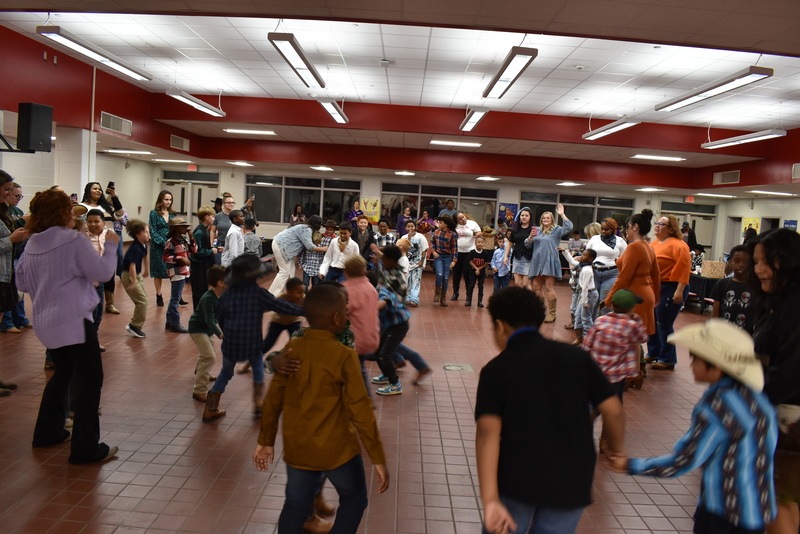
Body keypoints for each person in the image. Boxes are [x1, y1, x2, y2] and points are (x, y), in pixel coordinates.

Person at [475, 287, 625, 534]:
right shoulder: (576, 357)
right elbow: (613, 409)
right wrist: (617, 449)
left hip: (517, 479)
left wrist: (491, 500)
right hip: (572, 479)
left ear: (500, 326)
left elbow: (487, 435)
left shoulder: (496, 370)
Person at [606, 319, 777, 534]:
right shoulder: (760, 401)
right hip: (757, 513)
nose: (690, 363)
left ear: (715, 366)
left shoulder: (717, 405)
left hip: (722, 514)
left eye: (695, 358)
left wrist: (630, 466)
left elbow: (684, 460)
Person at [253, 284, 389, 532]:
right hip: (337, 449)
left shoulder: (294, 348)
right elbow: (361, 410)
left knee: (295, 504)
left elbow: (273, 400)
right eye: (345, 311)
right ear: (337, 317)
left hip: (298, 447)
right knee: (355, 498)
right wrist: (377, 457)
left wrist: (266, 440)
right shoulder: (344, 354)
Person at [17, 189, 120, 464]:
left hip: (46, 322)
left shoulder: (33, 242)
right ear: (63, 213)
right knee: (90, 380)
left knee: (63, 372)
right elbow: (102, 273)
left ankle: (47, 432)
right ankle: (86, 449)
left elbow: (22, 283)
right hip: (74, 320)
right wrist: (111, 246)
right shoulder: (73, 240)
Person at [203, 255, 303, 422]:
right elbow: (282, 306)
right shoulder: (259, 294)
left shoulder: (227, 296)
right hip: (252, 344)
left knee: (225, 373)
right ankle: (258, 405)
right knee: (258, 371)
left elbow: (221, 318)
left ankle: (210, 408)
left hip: (231, 345)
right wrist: (305, 311)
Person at [747, 228, 800, 534]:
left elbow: (791, 371)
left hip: (789, 420)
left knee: (779, 502)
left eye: (766, 261)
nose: (759, 269)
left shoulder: (794, 305)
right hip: (780, 413)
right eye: (756, 261)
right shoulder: (777, 301)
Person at [604, 209, 660, 345]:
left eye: (628, 227)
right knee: (634, 338)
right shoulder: (649, 247)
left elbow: (624, 277)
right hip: (646, 294)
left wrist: (609, 297)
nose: (626, 230)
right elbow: (656, 275)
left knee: (629, 338)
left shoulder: (633, 247)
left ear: (635, 227)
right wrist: (656, 297)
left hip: (633, 294)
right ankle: (638, 364)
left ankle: (635, 365)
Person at [583, 289, 649, 397]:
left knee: (595, 400)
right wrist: (638, 321)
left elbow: (586, 345)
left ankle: (590, 411)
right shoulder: (631, 325)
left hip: (597, 371)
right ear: (632, 308)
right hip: (617, 375)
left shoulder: (600, 320)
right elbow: (643, 338)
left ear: (612, 306)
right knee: (615, 404)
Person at [646, 214, 691, 371]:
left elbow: (684, 270)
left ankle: (667, 359)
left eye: (662, 224)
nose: (657, 226)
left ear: (671, 228)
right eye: (656, 223)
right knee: (650, 321)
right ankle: (653, 352)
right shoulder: (655, 243)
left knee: (663, 324)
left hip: (672, 287)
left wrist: (679, 291)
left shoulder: (679, 245)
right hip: (655, 287)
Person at [80, 181, 126, 315]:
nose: (98, 191)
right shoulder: (82, 207)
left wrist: (114, 197)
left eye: (100, 189)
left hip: (107, 240)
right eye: (95, 189)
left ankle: (110, 303)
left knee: (109, 271)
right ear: (88, 190)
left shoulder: (106, 206)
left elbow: (121, 215)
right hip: (90, 242)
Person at [369, 246, 410, 396]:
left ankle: (394, 383)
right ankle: (387, 375)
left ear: (392, 261)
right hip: (390, 322)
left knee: (384, 354)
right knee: (378, 351)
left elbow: (387, 296)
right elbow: (382, 279)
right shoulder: (392, 271)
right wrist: (378, 263)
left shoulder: (397, 276)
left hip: (398, 324)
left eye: (385, 260)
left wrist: (375, 307)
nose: (383, 262)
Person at [188, 265, 227, 402]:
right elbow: (209, 320)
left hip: (207, 330)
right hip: (197, 329)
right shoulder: (208, 298)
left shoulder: (221, 295)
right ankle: (199, 390)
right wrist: (221, 334)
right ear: (220, 283)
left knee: (206, 352)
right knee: (210, 357)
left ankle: (200, 371)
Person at [528, 203, 573, 323]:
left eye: (548, 218)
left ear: (552, 219)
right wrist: (529, 238)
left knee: (548, 287)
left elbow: (568, 228)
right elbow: (528, 244)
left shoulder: (556, 230)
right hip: (537, 261)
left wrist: (562, 214)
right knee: (536, 287)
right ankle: (540, 311)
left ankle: (552, 314)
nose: (545, 219)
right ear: (541, 220)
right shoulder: (536, 230)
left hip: (550, 261)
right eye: (544, 218)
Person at [342, 255, 380, 392]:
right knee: (359, 367)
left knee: (352, 371)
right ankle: (365, 399)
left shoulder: (347, 290)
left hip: (353, 340)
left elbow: (342, 313)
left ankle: (364, 400)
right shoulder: (370, 287)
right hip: (370, 337)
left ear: (345, 271)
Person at [0, 180, 30, 333]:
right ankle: (8, 323)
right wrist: (12, 239)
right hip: (3, 264)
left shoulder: (13, 212)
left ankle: (19, 319)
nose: (11, 195)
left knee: (16, 295)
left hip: (11, 260)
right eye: (7, 190)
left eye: (19, 196)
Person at [269, 215, 325, 296]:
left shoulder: (303, 227)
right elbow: (310, 246)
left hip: (283, 246)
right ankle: (271, 294)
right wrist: (324, 249)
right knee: (284, 272)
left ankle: (290, 293)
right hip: (281, 246)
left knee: (291, 270)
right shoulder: (306, 229)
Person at [586, 217, 627, 317]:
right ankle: (591, 327)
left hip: (611, 274)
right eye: (602, 229)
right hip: (595, 273)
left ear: (613, 229)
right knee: (592, 302)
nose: (603, 231)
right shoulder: (594, 239)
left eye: (606, 229)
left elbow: (626, 258)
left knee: (605, 302)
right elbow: (587, 254)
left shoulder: (620, 241)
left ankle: (605, 326)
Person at [84, 209, 113, 350]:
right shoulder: (83, 236)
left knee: (98, 312)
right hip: (86, 280)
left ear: (103, 223)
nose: (93, 224)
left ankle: (92, 340)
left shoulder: (108, 235)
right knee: (88, 312)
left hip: (100, 279)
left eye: (96, 221)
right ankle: (85, 343)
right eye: (90, 221)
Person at [162, 217, 196, 333]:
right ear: (175, 228)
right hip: (176, 272)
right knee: (175, 298)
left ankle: (169, 322)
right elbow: (166, 258)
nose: (186, 228)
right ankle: (175, 323)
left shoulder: (184, 240)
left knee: (175, 297)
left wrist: (192, 238)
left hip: (183, 271)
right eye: (183, 226)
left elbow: (194, 250)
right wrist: (180, 258)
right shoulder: (170, 242)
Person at [711, 244, 754, 333]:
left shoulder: (755, 286)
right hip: (724, 332)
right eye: (737, 261)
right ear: (730, 262)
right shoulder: (722, 284)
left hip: (746, 335)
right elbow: (715, 312)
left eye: (745, 261)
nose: (741, 265)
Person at [561, 247, 598, 344]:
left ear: (590, 259)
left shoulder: (587, 270)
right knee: (578, 316)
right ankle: (580, 337)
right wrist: (564, 251)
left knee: (586, 318)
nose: (581, 256)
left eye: (584, 255)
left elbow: (585, 287)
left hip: (589, 294)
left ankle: (588, 340)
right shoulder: (583, 266)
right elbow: (573, 261)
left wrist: (584, 302)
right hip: (585, 294)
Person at [121, 219, 150, 338]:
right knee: (142, 301)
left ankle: (135, 324)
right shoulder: (134, 248)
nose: (149, 234)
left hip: (136, 275)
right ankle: (135, 326)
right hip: (129, 275)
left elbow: (145, 257)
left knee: (143, 300)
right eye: (146, 232)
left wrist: (147, 271)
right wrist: (133, 281)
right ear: (138, 234)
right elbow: (132, 266)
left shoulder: (143, 245)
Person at [148, 189, 175, 306]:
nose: (168, 202)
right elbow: (152, 230)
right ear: (161, 200)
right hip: (158, 246)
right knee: (158, 271)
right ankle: (159, 295)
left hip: (171, 245)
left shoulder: (173, 214)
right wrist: (163, 242)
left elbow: (175, 229)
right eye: (166, 199)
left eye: (170, 200)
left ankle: (176, 295)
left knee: (173, 270)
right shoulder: (154, 213)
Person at [190, 206, 219, 310]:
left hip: (205, 265)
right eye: (212, 216)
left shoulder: (207, 230)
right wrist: (211, 251)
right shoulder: (198, 232)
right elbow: (196, 252)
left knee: (204, 290)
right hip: (198, 266)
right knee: (198, 292)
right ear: (206, 217)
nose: (214, 218)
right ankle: (198, 315)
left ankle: (202, 314)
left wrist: (214, 248)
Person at [450, 212, 482, 302]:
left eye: (463, 217)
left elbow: (479, 231)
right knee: (456, 274)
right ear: (456, 220)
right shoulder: (454, 225)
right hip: (457, 252)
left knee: (467, 273)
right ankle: (455, 293)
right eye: (460, 219)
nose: (463, 219)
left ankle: (469, 294)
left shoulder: (472, 223)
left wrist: (479, 234)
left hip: (469, 252)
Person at [503, 207, 534, 290]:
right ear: (519, 217)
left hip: (529, 258)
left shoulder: (533, 229)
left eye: (526, 215)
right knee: (518, 283)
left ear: (530, 217)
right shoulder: (515, 229)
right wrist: (505, 256)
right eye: (522, 215)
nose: (524, 217)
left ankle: (530, 302)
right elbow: (510, 243)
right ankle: (520, 302)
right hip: (517, 258)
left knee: (526, 284)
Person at [299, 219, 336, 289]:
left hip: (318, 266)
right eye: (327, 229)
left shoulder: (334, 239)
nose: (329, 231)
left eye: (331, 230)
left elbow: (328, 252)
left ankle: (314, 296)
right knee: (305, 284)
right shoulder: (321, 237)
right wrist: (300, 263)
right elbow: (303, 252)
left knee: (316, 284)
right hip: (307, 266)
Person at [430, 215, 457, 307]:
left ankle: (443, 297)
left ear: (446, 225)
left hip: (448, 257)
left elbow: (454, 249)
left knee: (445, 277)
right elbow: (432, 243)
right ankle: (437, 292)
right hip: (438, 256)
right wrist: (433, 252)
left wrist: (454, 261)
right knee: (439, 274)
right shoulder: (436, 232)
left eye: (440, 223)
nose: (438, 224)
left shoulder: (453, 235)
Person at [404, 220, 428, 306]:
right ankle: (407, 298)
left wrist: (422, 261)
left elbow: (424, 249)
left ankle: (414, 299)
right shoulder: (404, 237)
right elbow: (402, 249)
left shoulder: (420, 237)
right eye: (408, 226)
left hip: (418, 263)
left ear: (415, 227)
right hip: (407, 264)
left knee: (416, 281)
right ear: (405, 228)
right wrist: (409, 238)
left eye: (412, 226)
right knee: (407, 281)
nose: (410, 228)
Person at [466, 235, 491, 307]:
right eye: (478, 242)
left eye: (481, 242)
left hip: (481, 272)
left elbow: (486, 263)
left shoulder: (485, 253)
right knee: (471, 285)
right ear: (475, 243)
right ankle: (469, 300)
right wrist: (476, 268)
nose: (480, 244)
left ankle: (480, 301)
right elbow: (470, 261)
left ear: (483, 244)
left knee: (481, 286)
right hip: (472, 272)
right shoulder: (472, 252)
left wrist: (479, 269)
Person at [210, 192, 235, 265]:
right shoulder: (218, 216)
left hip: (232, 246)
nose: (231, 204)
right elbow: (212, 231)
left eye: (233, 203)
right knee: (220, 269)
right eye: (229, 202)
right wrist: (211, 244)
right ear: (223, 204)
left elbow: (241, 232)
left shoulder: (236, 216)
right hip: (220, 245)